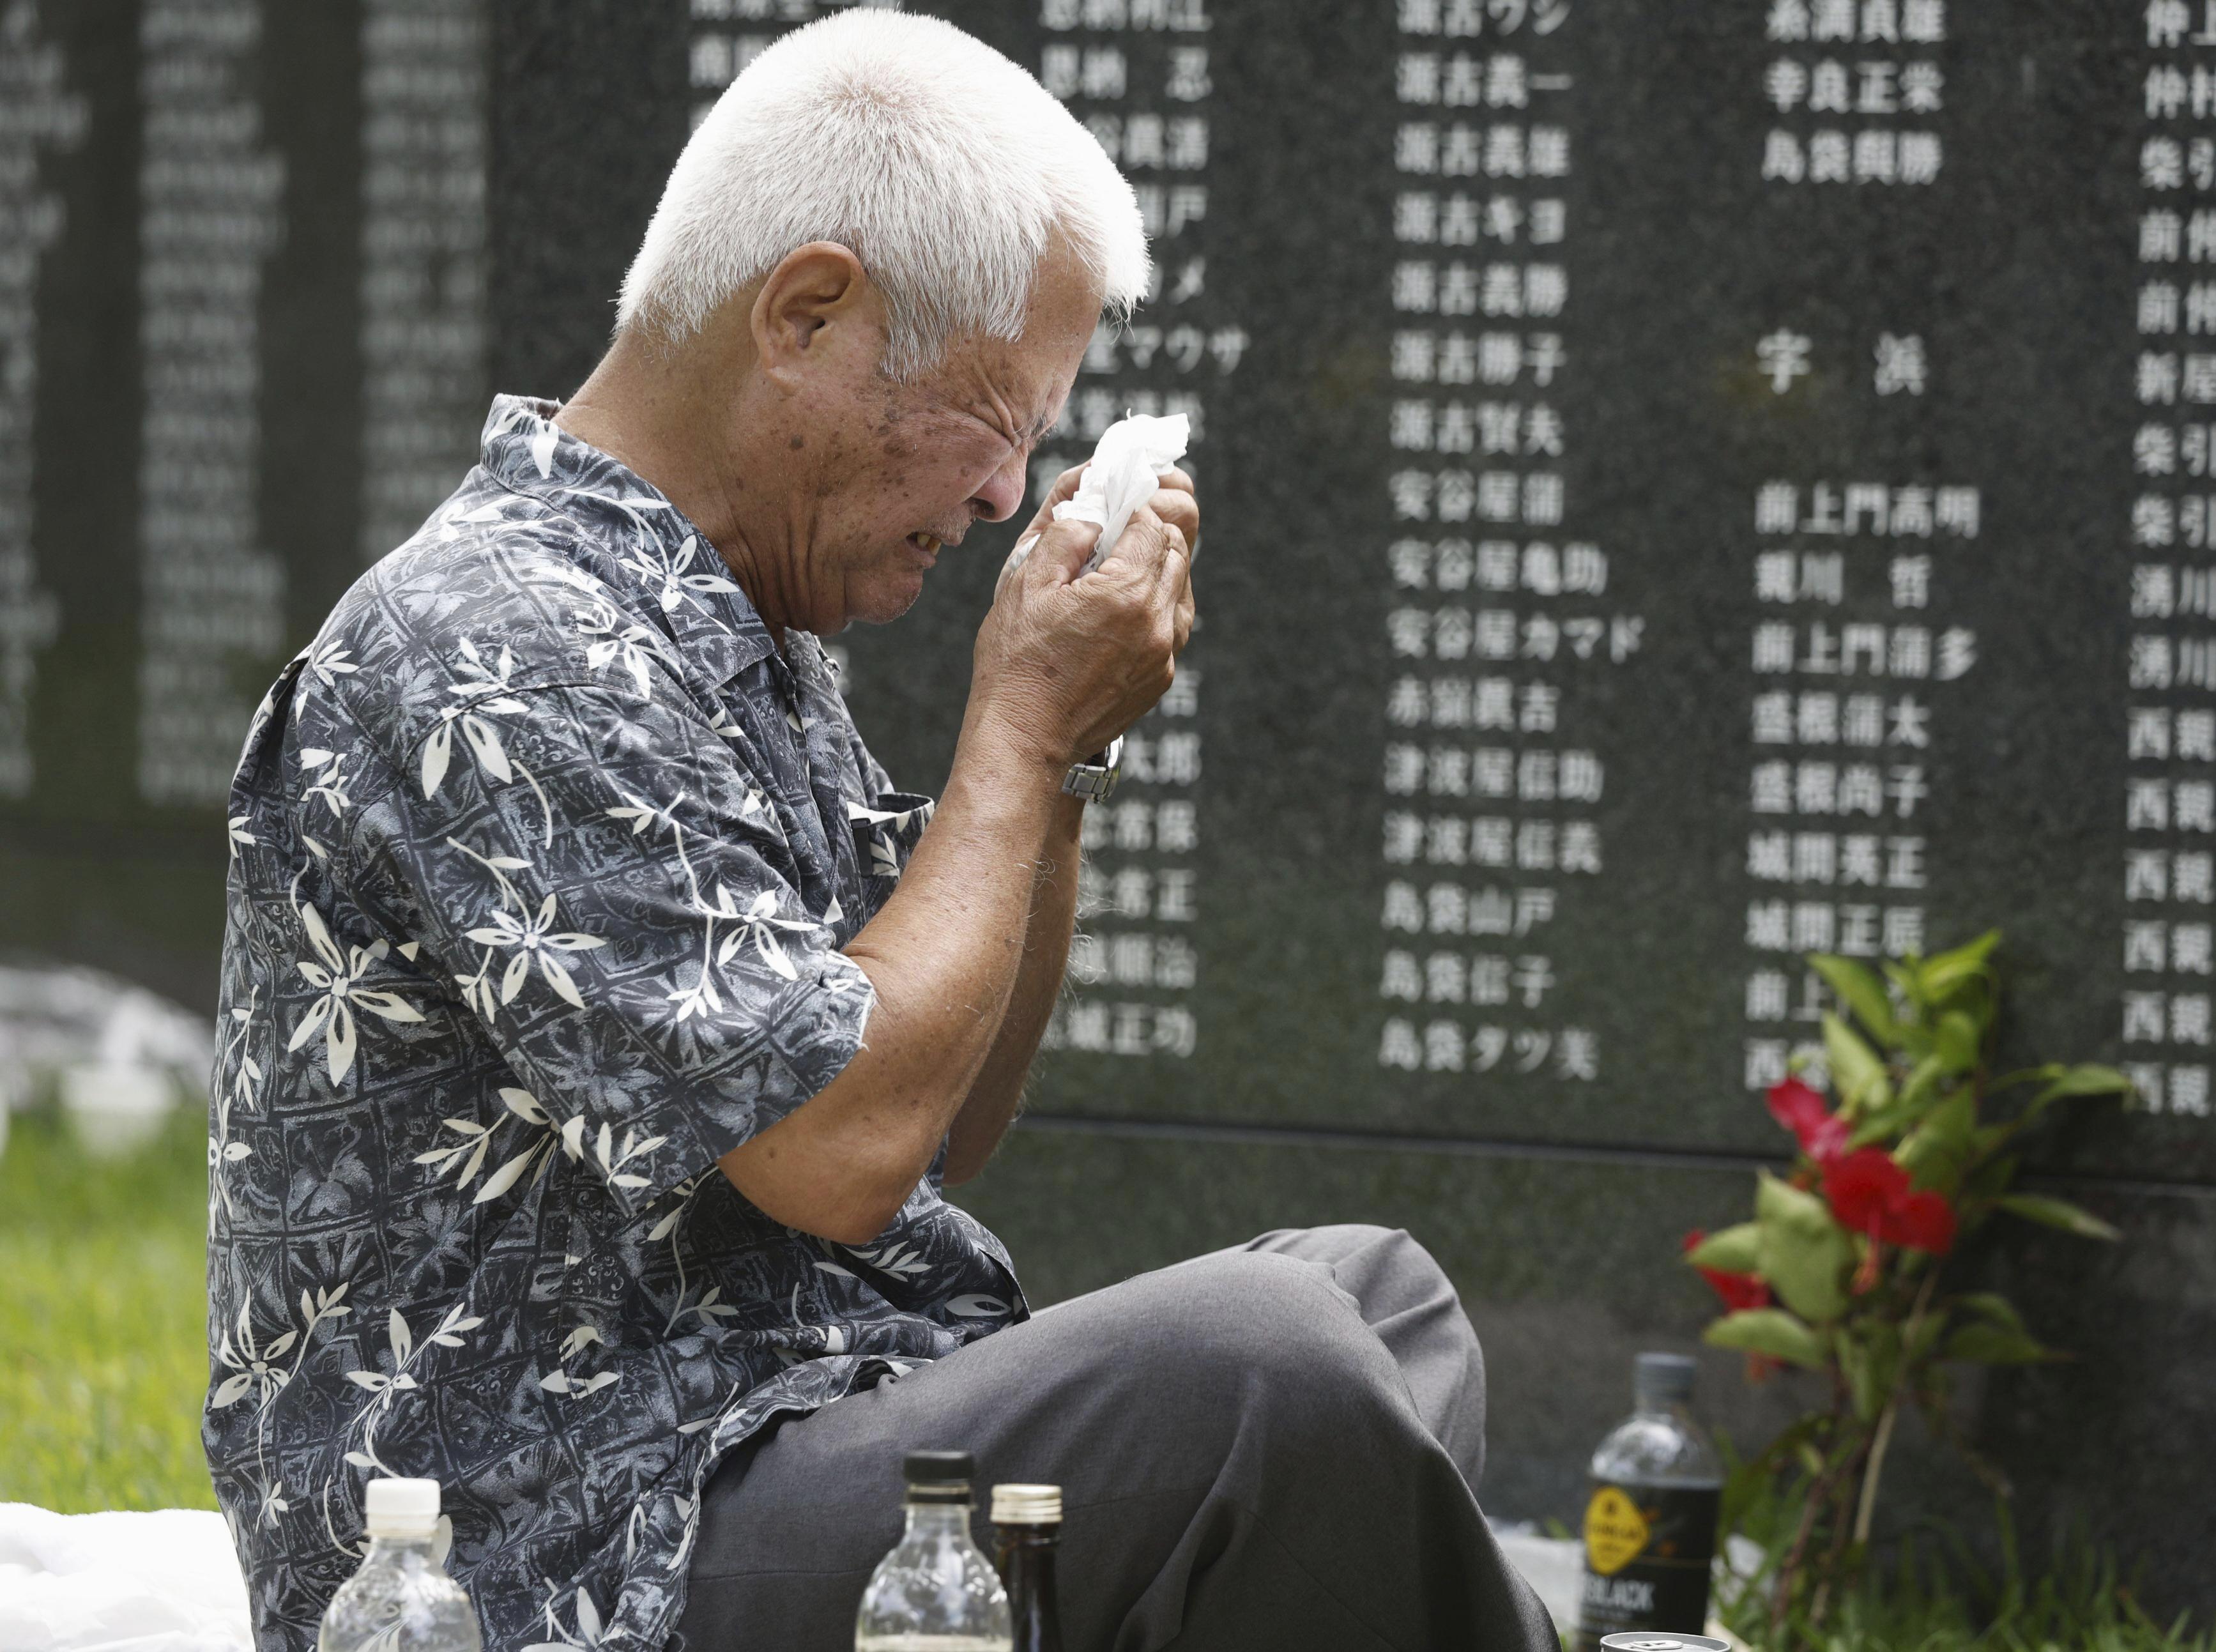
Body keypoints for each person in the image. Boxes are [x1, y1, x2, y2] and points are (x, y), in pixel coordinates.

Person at [203, 12, 1557, 1652]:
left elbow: (945, 1110)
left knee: (1372, 1297)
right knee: (1273, 1363)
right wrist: (1014, 725)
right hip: (563, 1543)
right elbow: (839, 1154)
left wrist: (1059, 766)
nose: (1007, 494)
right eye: (997, 414)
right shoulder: (490, 641)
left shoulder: (730, 620)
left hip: (804, 1421)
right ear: (808, 314)